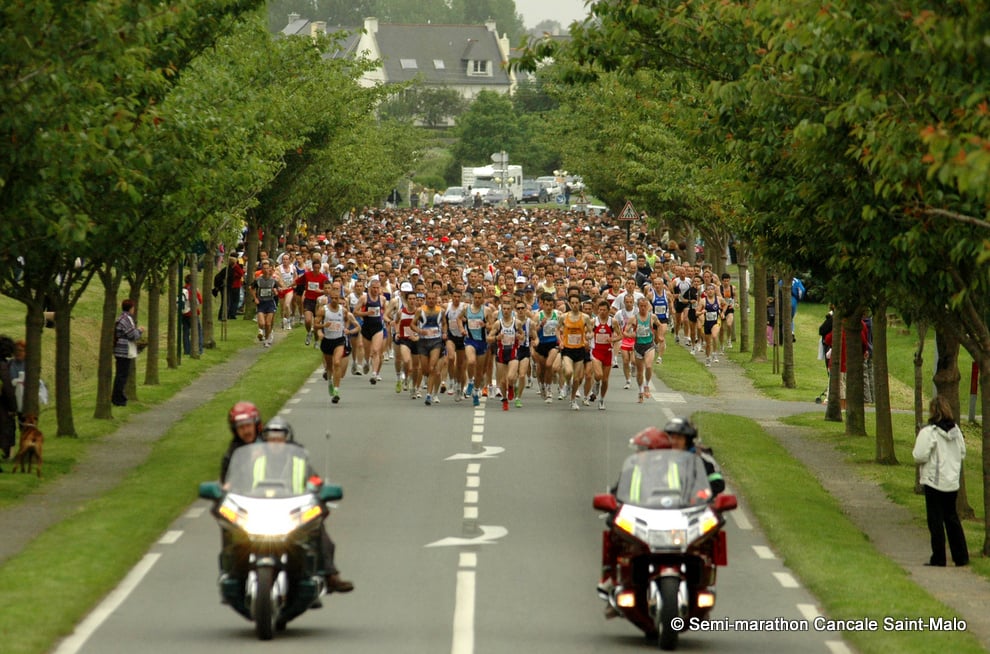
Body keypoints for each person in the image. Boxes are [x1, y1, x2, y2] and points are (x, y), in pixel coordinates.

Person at [912, 396, 969, 567]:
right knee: (952, 519)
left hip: (934, 481)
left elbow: (919, 455)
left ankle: (939, 557)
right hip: (951, 482)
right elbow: (962, 453)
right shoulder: (956, 431)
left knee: (935, 520)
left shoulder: (930, 432)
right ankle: (961, 556)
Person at [112, 299, 144, 407]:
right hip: (124, 350)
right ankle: (118, 398)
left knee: (120, 374)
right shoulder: (126, 319)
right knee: (122, 375)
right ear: (130, 308)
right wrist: (139, 330)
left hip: (119, 349)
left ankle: (118, 396)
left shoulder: (120, 318)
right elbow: (132, 335)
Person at [0, 336, 16, 462]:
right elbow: (8, 388)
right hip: (2, 404)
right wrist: (13, 407)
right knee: (6, 427)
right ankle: (6, 454)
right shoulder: (3, 366)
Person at [181, 274, 204, 356]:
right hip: (193, 313)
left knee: (186, 332)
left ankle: (186, 350)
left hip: (184, 313)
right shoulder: (193, 289)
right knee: (198, 331)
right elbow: (200, 301)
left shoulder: (183, 289)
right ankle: (199, 349)